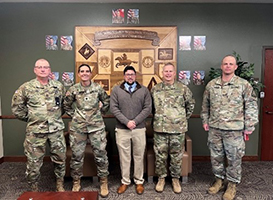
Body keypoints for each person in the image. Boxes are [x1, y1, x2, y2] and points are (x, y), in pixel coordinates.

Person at [201, 55, 259, 200]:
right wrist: (205, 120)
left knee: (234, 158)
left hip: (234, 129)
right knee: (216, 157)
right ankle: (219, 181)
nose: (227, 66)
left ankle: (232, 185)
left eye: (230, 64)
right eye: (225, 64)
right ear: (221, 66)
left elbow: (251, 105)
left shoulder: (243, 84)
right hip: (215, 128)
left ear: (235, 67)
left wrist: (249, 126)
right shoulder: (211, 85)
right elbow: (205, 105)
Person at [11, 58, 66, 192]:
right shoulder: (26, 87)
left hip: (56, 130)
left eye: (45, 67)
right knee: (33, 162)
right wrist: (32, 119)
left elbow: (63, 106)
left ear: (49, 70)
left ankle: (59, 184)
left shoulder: (58, 86)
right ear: (35, 70)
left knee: (60, 159)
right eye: (39, 67)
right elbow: (16, 108)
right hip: (35, 131)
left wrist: (55, 117)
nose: (42, 69)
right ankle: (34, 187)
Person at [63, 64, 110, 198]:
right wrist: (75, 116)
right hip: (78, 127)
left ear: (90, 73)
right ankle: (76, 181)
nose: (84, 73)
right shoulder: (73, 89)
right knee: (77, 155)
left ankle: (103, 181)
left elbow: (106, 101)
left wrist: (100, 113)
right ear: (78, 74)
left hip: (96, 127)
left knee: (100, 154)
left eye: (87, 71)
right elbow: (66, 105)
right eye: (82, 71)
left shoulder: (97, 88)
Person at [151, 62, 195, 194]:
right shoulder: (155, 89)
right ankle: (161, 178)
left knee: (176, 156)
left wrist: (180, 119)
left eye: (170, 71)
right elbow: (152, 108)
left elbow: (191, 105)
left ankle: (175, 179)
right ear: (162, 73)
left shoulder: (183, 88)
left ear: (174, 73)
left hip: (177, 129)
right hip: (160, 128)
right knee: (160, 156)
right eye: (166, 71)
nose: (168, 74)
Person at [110, 66, 152, 195]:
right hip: (122, 129)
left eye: (132, 74)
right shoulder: (116, 90)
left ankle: (139, 181)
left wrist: (135, 121)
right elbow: (114, 108)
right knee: (124, 157)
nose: (130, 76)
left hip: (139, 129)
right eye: (127, 74)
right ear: (124, 76)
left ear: (135, 76)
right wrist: (126, 122)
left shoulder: (144, 90)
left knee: (139, 156)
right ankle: (125, 181)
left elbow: (147, 108)